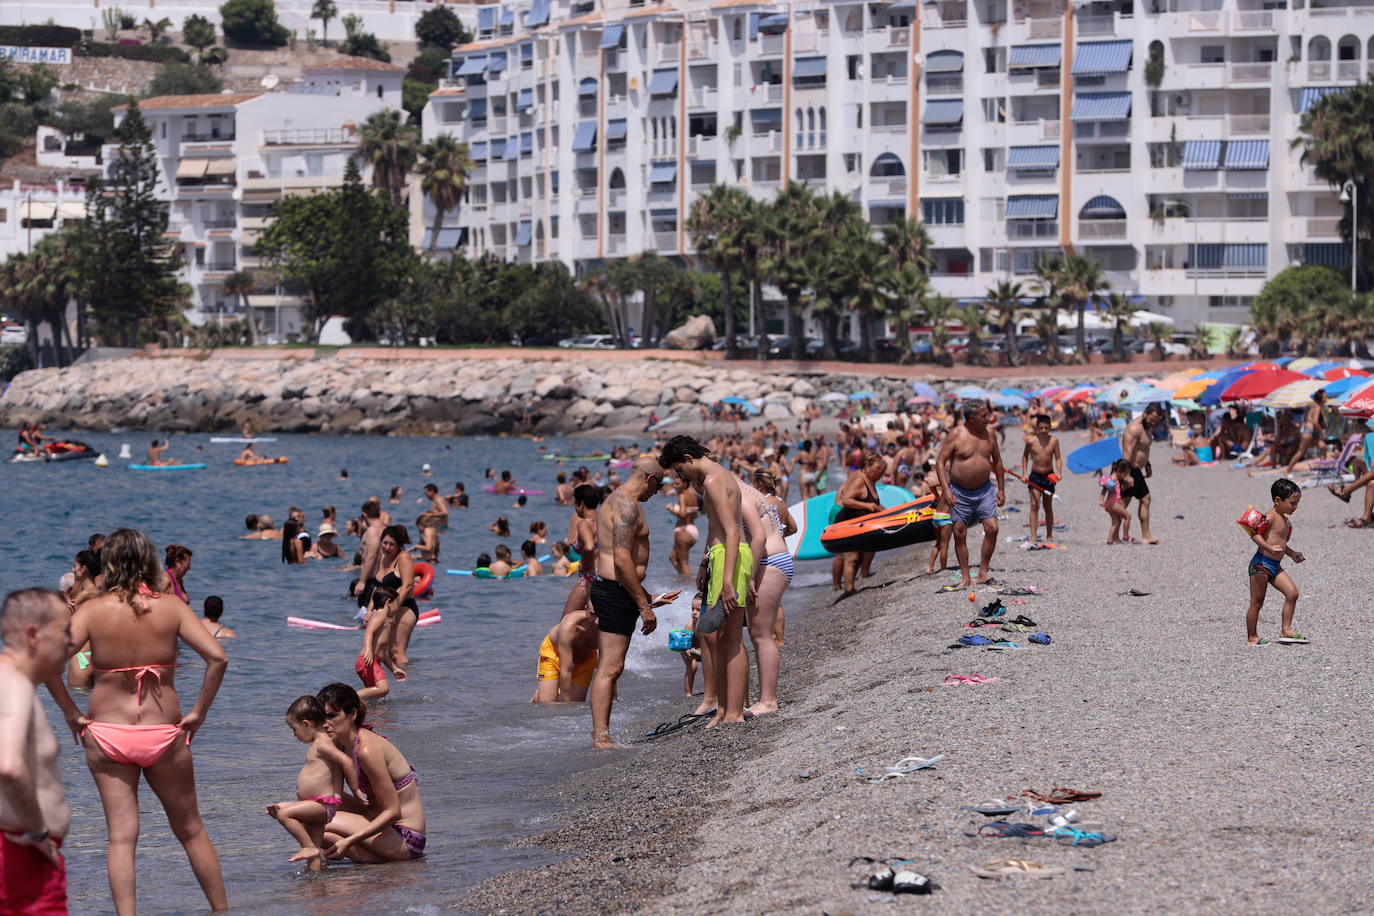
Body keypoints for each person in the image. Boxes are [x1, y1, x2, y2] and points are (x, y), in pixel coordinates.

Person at [44, 529, 228, 915]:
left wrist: (69, 712)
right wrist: (199, 713)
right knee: (191, 830)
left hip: (107, 734)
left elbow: (48, 662)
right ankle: (221, 911)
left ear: (107, 563)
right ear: (148, 560)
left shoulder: (92, 610)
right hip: (164, 733)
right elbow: (217, 658)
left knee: (122, 839)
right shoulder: (171, 607)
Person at [587, 459, 679, 747]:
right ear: (649, 478)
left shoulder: (616, 500)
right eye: (660, 484)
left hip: (615, 590)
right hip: (615, 591)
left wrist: (648, 597)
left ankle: (602, 733)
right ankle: (601, 737)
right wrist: (644, 606)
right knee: (610, 668)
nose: (659, 491)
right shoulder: (626, 506)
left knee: (612, 666)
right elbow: (623, 560)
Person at [661, 436, 747, 728]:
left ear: (687, 458)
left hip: (730, 558)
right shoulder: (716, 477)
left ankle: (733, 712)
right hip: (721, 556)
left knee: (731, 639)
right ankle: (724, 708)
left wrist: (726, 581)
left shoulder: (712, 481)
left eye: (678, 470)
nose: (679, 477)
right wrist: (704, 561)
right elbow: (715, 528)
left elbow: (733, 532)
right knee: (718, 638)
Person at [1, 588, 73, 916]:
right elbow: (9, 767)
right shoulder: (13, 683)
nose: (72, 642)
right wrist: (38, 833)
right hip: (23, 861)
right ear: (33, 635)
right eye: (65, 632)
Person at [315, 683, 426, 862]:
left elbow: (394, 812)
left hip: (405, 838)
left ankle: (370, 860)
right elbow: (334, 796)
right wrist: (290, 811)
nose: (325, 724)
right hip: (379, 822)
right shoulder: (340, 745)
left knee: (319, 824)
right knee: (315, 806)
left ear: (352, 715)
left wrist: (350, 841)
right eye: (321, 718)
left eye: (331, 716)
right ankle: (360, 862)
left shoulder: (366, 750)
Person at [266, 696, 358, 871]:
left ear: (306, 724)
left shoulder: (322, 745)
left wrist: (355, 791)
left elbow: (345, 762)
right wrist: (338, 791)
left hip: (321, 806)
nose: (294, 735)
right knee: (316, 849)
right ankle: (315, 883)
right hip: (315, 804)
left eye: (294, 729)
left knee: (284, 814)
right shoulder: (321, 744)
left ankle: (307, 847)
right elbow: (337, 769)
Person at [934, 398, 1006, 590]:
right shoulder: (956, 435)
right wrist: (946, 490)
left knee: (992, 528)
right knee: (959, 532)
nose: (988, 419)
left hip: (984, 489)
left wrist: (1001, 488)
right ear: (972, 418)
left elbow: (997, 461)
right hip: (959, 491)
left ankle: (983, 572)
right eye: (984, 416)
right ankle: (966, 577)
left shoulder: (990, 434)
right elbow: (940, 463)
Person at [741, 470, 796, 716]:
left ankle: (768, 701)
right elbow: (792, 527)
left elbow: (757, 536)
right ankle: (766, 698)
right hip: (781, 558)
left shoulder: (744, 497)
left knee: (761, 634)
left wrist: (750, 575)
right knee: (766, 629)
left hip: (768, 562)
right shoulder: (774, 502)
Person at [1245, 478, 1308, 645]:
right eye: (1292, 503)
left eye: (1297, 503)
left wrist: (1292, 553)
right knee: (1257, 602)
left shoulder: (1285, 519)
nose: (1295, 507)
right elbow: (1255, 534)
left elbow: (1280, 543)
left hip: (1274, 566)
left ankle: (1286, 629)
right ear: (1277, 501)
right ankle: (1252, 637)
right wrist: (1268, 547)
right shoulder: (1270, 516)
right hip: (1261, 564)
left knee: (1292, 594)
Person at [833, 452, 884, 595]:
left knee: (860, 556)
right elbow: (846, 500)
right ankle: (847, 590)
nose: (880, 471)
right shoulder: (859, 479)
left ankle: (850, 586)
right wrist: (867, 507)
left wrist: (896, 513)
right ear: (867, 466)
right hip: (846, 521)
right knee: (851, 557)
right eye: (878, 468)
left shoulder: (870, 479)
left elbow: (875, 504)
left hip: (859, 523)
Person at [530, 607, 599, 703]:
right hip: (554, 655)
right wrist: (566, 707)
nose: (597, 621)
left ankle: (551, 693)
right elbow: (566, 670)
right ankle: (539, 696)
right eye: (593, 614)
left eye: (601, 614)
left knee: (576, 705)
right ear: (586, 609)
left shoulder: (607, 629)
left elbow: (609, 666)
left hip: (585, 661)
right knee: (548, 705)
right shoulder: (570, 625)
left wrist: (614, 697)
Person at [1121, 403, 1165, 545]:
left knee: (1125, 503)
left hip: (1137, 469)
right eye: (1152, 419)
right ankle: (1143, 536)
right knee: (1141, 499)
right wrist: (1126, 475)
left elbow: (1143, 449)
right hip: (1129, 468)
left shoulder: (1147, 427)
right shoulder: (1135, 428)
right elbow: (1127, 452)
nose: (1153, 423)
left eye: (1156, 422)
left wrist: (1147, 464)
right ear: (1145, 412)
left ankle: (1116, 536)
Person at [375, 527, 419, 669]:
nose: (387, 547)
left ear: (399, 545)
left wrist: (393, 611)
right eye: (385, 543)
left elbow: (407, 586)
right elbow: (377, 588)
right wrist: (368, 612)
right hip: (386, 609)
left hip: (404, 606)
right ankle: (400, 685)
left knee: (397, 652)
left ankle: (407, 688)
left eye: (391, 544)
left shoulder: (403, 557)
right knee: (386, 652)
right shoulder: (382, 558)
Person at [1020, 414, 1063, 544]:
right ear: (1036, 428)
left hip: (1049, 476)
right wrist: (1024, 473)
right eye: (1041, 428)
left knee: (1047, 506)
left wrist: (1059, 472)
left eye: (1046, 428)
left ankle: (1049, 535)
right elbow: (1025, 457)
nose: (1043, 430)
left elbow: (1058, 457)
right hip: (1035, 476)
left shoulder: (1054, 441)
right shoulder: (1031, 441)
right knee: (1034, 505)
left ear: (1050, 427)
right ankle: (1033, 535)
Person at [561, 486, 602, 618]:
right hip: (601, 578)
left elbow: (589, 547)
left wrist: (585, 564)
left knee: (564, 623)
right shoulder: (604, 520)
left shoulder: (585, 524)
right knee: (591, 624)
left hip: (587, 580)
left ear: (581, 503)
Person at [356, 587, 403, 701]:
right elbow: (369, 632)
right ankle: (350, 698)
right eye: (397, 602)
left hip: (370, 661)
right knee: (383, 689)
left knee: (373, 697)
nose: (399, 606)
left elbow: (381, 653)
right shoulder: (380, 616)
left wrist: (394, 668)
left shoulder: (384, 619)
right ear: (389, 602)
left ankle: (373, 716)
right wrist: (368, 650)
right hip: (367, 661)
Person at [1283, 390, 1327, 475]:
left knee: (1323, 447)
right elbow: (1315, 422)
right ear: (1321, 398)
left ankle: (1322, 470)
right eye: (1325, 396)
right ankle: (1288, 471)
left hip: (1313, 433)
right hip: (1308, 432)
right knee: (1300, 452)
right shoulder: (1317, 407)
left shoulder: (1319, 407)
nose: (1326, 397)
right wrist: (1322, 433)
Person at [355, 499, 386, 611]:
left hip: (372, 580)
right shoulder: (386, 529)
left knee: (366, 616)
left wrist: (362, 581)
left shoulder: (372, 531)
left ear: (364, 515)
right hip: (383, 580)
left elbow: (371, 556)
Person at [667, 483, 700, 575]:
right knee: (672, 556)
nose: (675, 485)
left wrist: (671, 509)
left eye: (678, 483)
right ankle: (684, 581)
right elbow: (696, 515)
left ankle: (689, 586)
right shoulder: (693, 496)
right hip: (693, 530)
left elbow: (683, 514)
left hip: (683, 532)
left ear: (684, 484)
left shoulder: (682, 495)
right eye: (674, 483)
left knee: (684, 563)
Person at [1101, 459, 1133, 544]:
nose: (1124, 476)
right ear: (1119, 470)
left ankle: (1110, 540)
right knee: (1128, 516)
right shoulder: (1113, 478)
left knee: (1116, 522)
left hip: (1110, 503)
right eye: (1125, 474)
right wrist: (1101, 499)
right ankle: (1126, 536)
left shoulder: (1115, 478)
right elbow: (1105, 488)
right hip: (1112, 503)